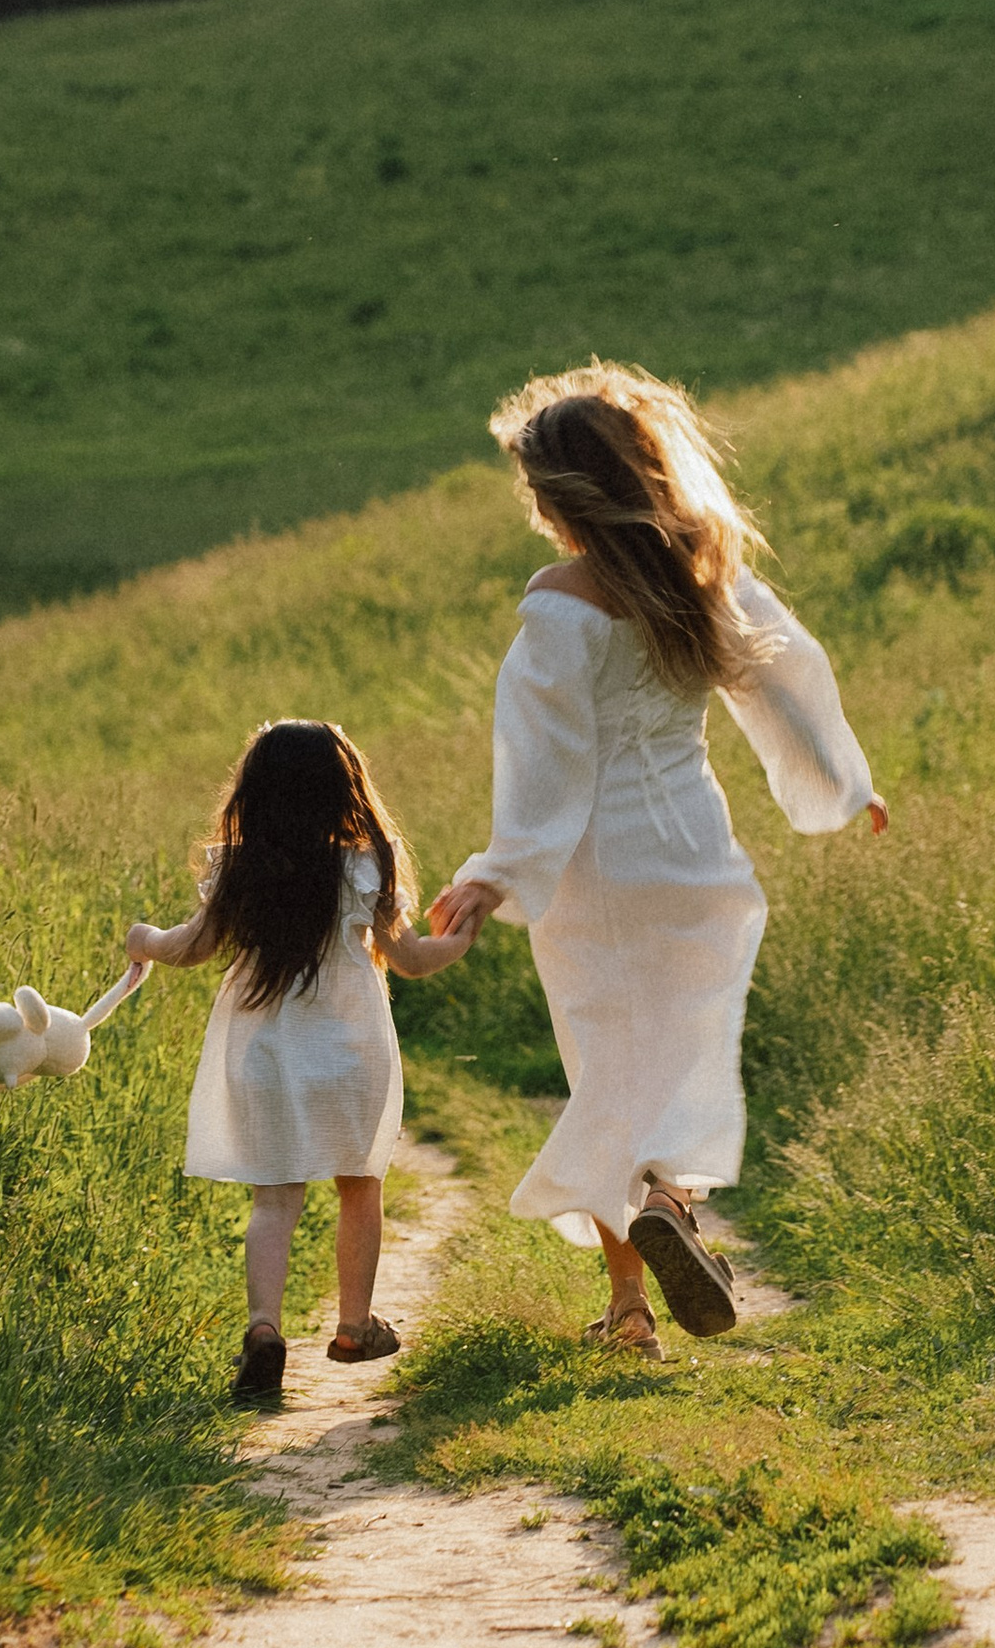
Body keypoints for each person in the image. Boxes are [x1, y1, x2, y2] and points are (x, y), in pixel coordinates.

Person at [425, 361, 884, 1350]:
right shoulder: (703, 573)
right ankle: (670, 1202)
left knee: (609, 1076)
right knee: (675, 1062)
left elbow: (544, 765)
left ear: (555, 500)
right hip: (698, 863)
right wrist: (847, 784)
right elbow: (788, 674)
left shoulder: (561, 601)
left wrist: (496, 871)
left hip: (597, 874)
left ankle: (630, 1306)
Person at [128, 720, 478, 1403]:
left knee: (276, 1196)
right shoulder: (365, 863)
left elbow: (191, 947)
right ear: (346, 789)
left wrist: (144, 938)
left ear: (254, 792)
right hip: (350, 1048)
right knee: (360, 1183)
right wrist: (458, 942)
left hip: (264, 1049)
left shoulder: (240, 866)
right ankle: (354, 1324)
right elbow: (408, 959)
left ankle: (264, 1329)